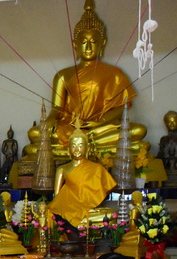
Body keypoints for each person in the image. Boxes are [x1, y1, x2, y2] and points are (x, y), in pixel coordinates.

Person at [46, 0, 145, 159]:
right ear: (75, 45)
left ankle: (84, 144)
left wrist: (99, 122)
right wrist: (51, 119)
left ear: (102, 43)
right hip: (70, 128)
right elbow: (57, 108)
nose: (88, 47)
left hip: (100, 128)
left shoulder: (114, 74)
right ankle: (85, 144)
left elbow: (122, 106)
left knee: (138, 131)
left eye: (93, 42)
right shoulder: (62, 75)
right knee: (37, 134)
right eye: (83, 42)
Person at [48, 127, 116, 231]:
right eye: (73, 146)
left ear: (87, 148)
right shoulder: (62, 169)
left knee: (110, 214)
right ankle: (76, 225)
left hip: (88, 211)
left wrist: (89, 208)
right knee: (50, 215)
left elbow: (100, 193)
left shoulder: (97, 169)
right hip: (67, 210)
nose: (76, 150)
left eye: (80, 146)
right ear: (68, 149)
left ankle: (75, 225)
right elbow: (57, 200)